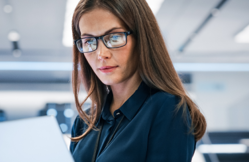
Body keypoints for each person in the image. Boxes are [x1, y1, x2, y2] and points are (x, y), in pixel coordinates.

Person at [69, 0, 207, 161]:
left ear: (142, 39)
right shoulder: (84, 123)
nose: (101, 54)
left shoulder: (169, 110)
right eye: (89, 41)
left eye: (114, 37)